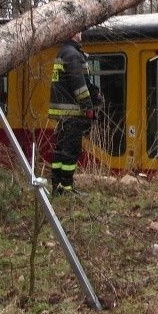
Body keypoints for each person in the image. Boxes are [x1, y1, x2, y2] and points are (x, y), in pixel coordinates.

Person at [48, 32, 102, 195]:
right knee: (71, 150)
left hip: (63, 113)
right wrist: (89, 108)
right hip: (72, 112)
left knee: (60, 149)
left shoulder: (63, 53)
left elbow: (83, 82)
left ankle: (57, 186)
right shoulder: (73, 55)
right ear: (73, 33)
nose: (81, 34)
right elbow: (79, 86)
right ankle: (66, 188)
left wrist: (95, 94)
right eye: (79, 31)